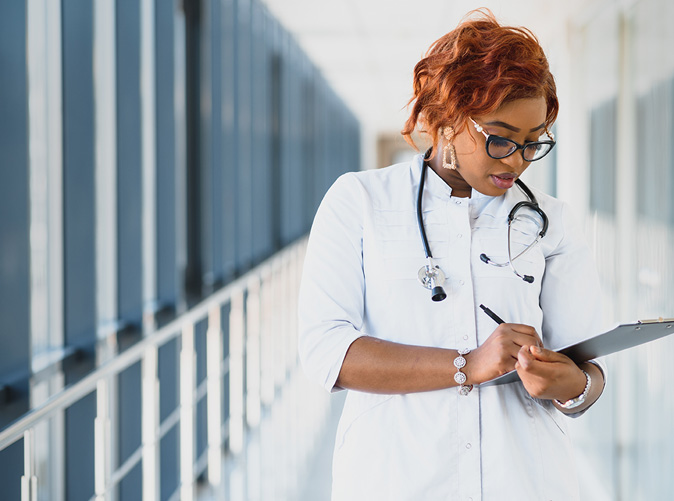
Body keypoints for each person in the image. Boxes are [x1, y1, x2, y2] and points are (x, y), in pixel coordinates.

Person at [298, 9, 605, 501]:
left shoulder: (553, 222)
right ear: (448, 117)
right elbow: (326, 353)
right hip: (397, 477)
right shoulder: (359, 201)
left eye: (532, 143)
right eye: (500, 138)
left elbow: (587, 372)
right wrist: (468, 363)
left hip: (525, 480)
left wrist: (569, 385)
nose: (515, 161)